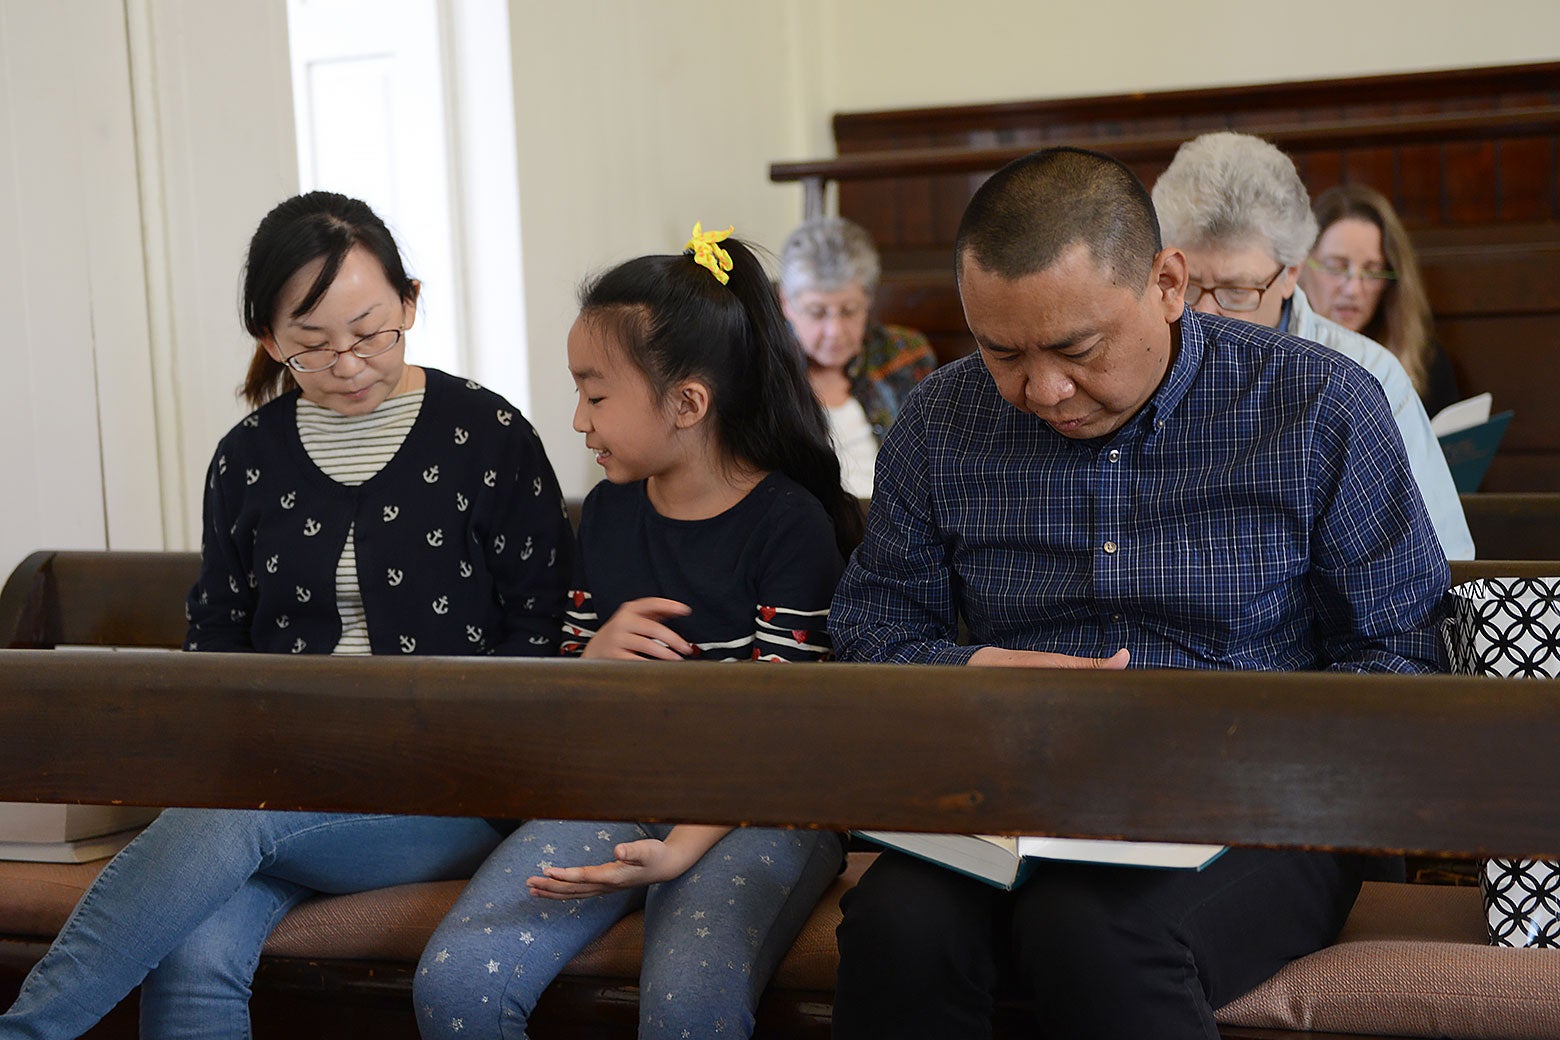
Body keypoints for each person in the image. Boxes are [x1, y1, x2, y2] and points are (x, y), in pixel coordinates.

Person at [828, 148, 1448, 1040]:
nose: (1044, 390)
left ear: (1167, 283)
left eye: (1077, 349)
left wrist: (1235, 745)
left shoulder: (1318, 405)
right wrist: (972, 671)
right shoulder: (940, 422)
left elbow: (1406, 654)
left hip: (1263, 814)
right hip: (1012, 804)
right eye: (1002, 352)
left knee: (1094, 931)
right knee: (896, 927)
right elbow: (871, 631)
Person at [0, 191, 573, 1040]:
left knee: (232, 818)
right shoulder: (248, 458)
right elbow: (217, 641)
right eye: (311, 343)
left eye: (372, 333)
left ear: (411, 302)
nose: (347, 363)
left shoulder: (487, 435)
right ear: (269, 338)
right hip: (284, 789)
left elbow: (542, 626)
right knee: (196, 952)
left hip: (450, 792)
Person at [414, 224, 858, 1040]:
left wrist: (681, 849)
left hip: (761, 810)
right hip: (620, 794)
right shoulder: (611, 511)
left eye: (595, 394)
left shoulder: (789, 526)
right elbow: (571, 709)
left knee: (688, 1006)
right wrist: (593, 658)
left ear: (688, 403)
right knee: (457, 982)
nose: (577, 419)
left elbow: (788, 734)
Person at [1151, 131, 1474, 560]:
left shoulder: (1367, 374)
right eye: (1188, 287)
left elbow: (1442, 556)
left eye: (1237, 291)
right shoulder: (1142, 352)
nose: (1206, 315)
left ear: (1291, 273)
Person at [778, 216, 936, 497]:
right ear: (786, 304)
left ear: (868, 300)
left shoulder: (904, 354)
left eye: (849, 310)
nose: (834, 331)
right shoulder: (766, 365)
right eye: (817, 312)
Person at [1300, 182, 1461, 416]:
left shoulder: (1427, 362)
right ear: (1300, 268)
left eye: (1373, 271)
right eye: (1336, 267)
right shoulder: (1279, 357)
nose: (1353, 289)